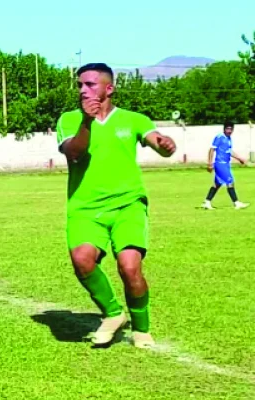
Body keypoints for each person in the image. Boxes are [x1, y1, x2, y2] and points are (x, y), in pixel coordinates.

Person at [56, 63, 177, 349]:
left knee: (129, 266)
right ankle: (113, 314)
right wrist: (86, 121)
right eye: (80, 85)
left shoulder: (134, 119)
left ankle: (142, 328)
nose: (83, 90)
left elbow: (154, 140)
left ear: (109, 88)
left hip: (128, 204)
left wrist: (164, 144)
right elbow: (75, 153)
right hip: (85, 208)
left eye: (90, 84)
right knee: (82, 260)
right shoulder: (68, 119)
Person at [201, 122, 249, 210]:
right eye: (227, 128)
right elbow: (212, 149)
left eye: (231, 129)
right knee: (230, 182)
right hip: (220, 163)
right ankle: (236, 203)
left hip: (226, 164)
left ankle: (207, 202)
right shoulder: (220, 137)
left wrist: (239, 158)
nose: (229, 131)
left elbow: (229, 151)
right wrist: (209, 163)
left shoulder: (229, 138)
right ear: (224, 129)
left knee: (217, 184)